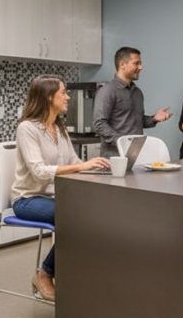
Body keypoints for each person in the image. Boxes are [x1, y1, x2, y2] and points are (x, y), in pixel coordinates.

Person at [11, 75, 110, 302]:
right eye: (64, 92)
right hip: (28, 199)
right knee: (72, 216)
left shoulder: (59, 127)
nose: (68, 97)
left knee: (97, 214)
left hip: (56, 197)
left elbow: (74, 162)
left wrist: (98, 168)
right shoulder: (27, 129)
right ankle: (45, 273)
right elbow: (38, 171)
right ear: (48, 97)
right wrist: (81, 165)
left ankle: (81, 275)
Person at [93, 47, 172, 156]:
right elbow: (99, 124)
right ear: (122, 65)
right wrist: (122, 142)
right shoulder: (107, 91)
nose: (141, 67)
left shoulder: (137, 92)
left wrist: (154, 118)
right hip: (114, 158)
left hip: (136, 155)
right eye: (136, 63)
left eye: (140, 63)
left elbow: (136, 121)